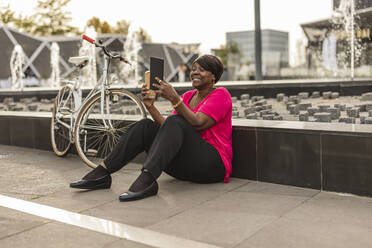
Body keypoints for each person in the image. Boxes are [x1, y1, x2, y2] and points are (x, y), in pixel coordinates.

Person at [70, 54, 233, 202]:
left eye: (202, 70)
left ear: (213, 76)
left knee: (176, 120)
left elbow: (198, 123)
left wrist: (174, 98)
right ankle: (102, 174)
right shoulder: (188, 96)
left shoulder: (220, 94)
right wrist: (150, 107)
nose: (195, 72)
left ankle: (147, 179)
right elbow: (169, 130)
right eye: (193, 69)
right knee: (146, 125)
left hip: (212, 166)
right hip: (186, 167)